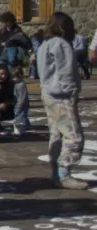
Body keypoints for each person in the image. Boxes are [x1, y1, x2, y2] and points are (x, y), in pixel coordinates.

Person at [37, 12, 88, 190]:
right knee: (73, 136)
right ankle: (64, 173)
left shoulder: (45, 45)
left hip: (49, 94)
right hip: (62, 96)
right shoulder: (61, 44)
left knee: (56, 134)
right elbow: (67, 71)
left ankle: (56, 173)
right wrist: (72, 93)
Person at [11, 66, 30, 136]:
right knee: (23, 114)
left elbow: (22, 96)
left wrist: (19, 104)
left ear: (20, 76)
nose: (13, 79)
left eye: (15, 77)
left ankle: (22, 127)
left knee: (19, 115)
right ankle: (27, 125)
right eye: (12, 77)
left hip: (22, 103)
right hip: (18, 102)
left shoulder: (21, 84)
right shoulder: (16, 83)